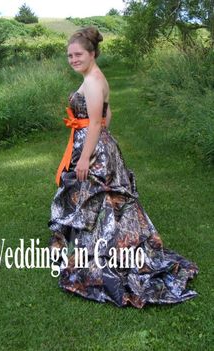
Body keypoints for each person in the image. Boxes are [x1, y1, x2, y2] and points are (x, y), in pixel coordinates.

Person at [48, 26, 198, 308]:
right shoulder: (94, 77)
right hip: (98, 146)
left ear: (92, 54)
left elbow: (95, 122)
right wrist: (102, 143)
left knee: (103, 199)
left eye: (78, 54)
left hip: (92, 150)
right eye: (69, 55)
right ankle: (98, 244)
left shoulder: (92, 82)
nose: (73, 59)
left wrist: (85, 156)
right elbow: (108, 115)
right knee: (103, 201)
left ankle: (106, 252)